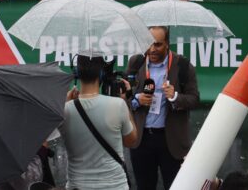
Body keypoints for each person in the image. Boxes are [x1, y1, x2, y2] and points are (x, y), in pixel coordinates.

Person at [128, 26, 200, 190]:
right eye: (148, 43)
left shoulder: (183, 66)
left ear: (167, 43)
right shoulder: (136, 62)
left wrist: (175, 97)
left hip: (172, 142)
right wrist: (136, 100)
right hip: (141, 140)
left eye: (158, 45)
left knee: (175, 186)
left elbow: (194, 100)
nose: (152, 49)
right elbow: (124, 96)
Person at [60, 55, 138, 190]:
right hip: (114, 186)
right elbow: (131, 141)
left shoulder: (64, 109)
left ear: (76, 74)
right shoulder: (118, 105)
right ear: (102, 74)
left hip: (77, 186)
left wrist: (66, 104)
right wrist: (125, 101)